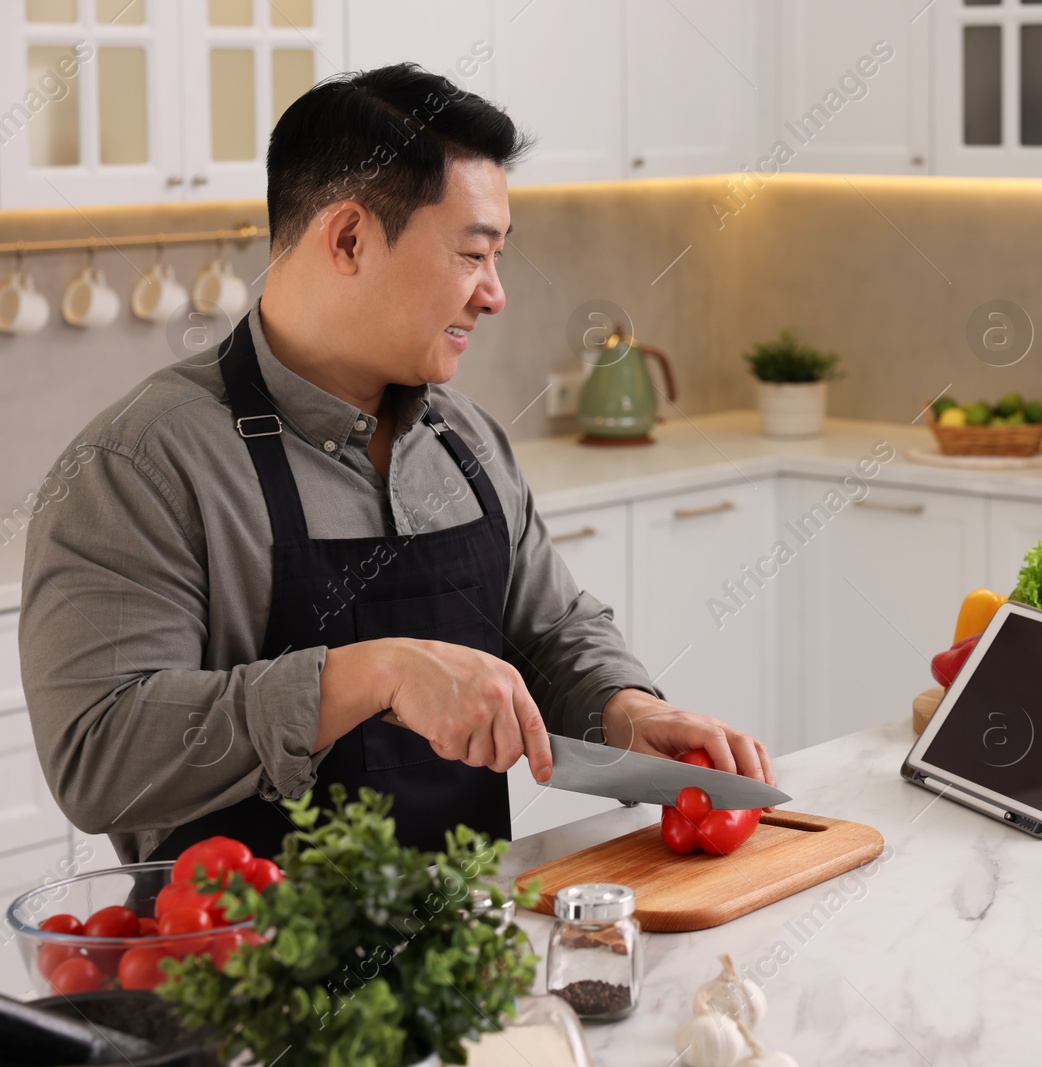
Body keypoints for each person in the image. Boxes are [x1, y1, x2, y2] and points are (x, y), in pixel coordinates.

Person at [18, 63, 773, 865]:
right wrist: (366, 676)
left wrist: (623, 708)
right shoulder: (142, 465)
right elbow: (98, 757)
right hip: (241, 975)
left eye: (499, 256)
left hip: (471, 953)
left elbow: (550, 631)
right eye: (473, 254)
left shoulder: (468, 440)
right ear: (348, 239)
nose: (495, 293)